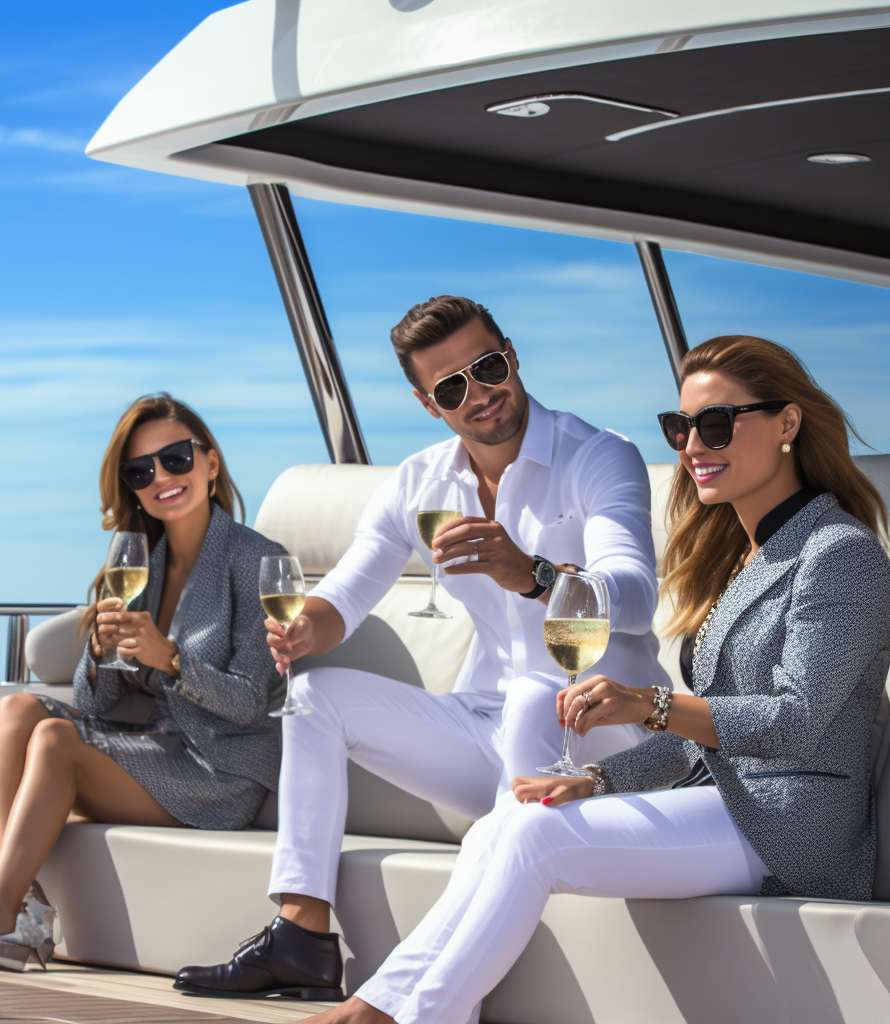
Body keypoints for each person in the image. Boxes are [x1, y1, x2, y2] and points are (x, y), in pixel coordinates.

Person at [296, 334, 890, 1024]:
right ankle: (387, 1006)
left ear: (788, 424)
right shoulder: (743, 558)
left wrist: (652, 703)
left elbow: (794, 722)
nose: (694, 445)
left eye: (718, 423)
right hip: (726, 802)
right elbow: (711, 739)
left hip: (790, 825)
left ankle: (399, 1017)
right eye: (681, 427)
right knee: (513, 820)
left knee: (532, 839)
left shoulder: (840, 553)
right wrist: (601, 780)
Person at [175, 296, 671, 999]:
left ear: (512, 353)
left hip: (599, 729)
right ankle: (302, 934)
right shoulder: (419, 483)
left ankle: (429, 998)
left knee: (536, 695)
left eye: (489, 366)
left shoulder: (597, 455)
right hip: (488, 726)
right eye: (451, 387)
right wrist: (305, 627)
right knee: (314, 698)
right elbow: (345, 595)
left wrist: (533, 575)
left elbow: (636, 593)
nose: (480, 393)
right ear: (426, 401)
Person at [0, 393, 286, 972]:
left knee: (55, 741)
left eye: (176, 459)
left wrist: (171, 661)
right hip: (162, 751)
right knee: (17, 712)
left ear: (211, 463)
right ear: (133, 488)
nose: (161, 477)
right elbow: (96, 703)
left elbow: (248, 704)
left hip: (224, 773)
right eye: (141, 471)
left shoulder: (258, 558)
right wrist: (98, 649)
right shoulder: (138, 558)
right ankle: (14, 907)